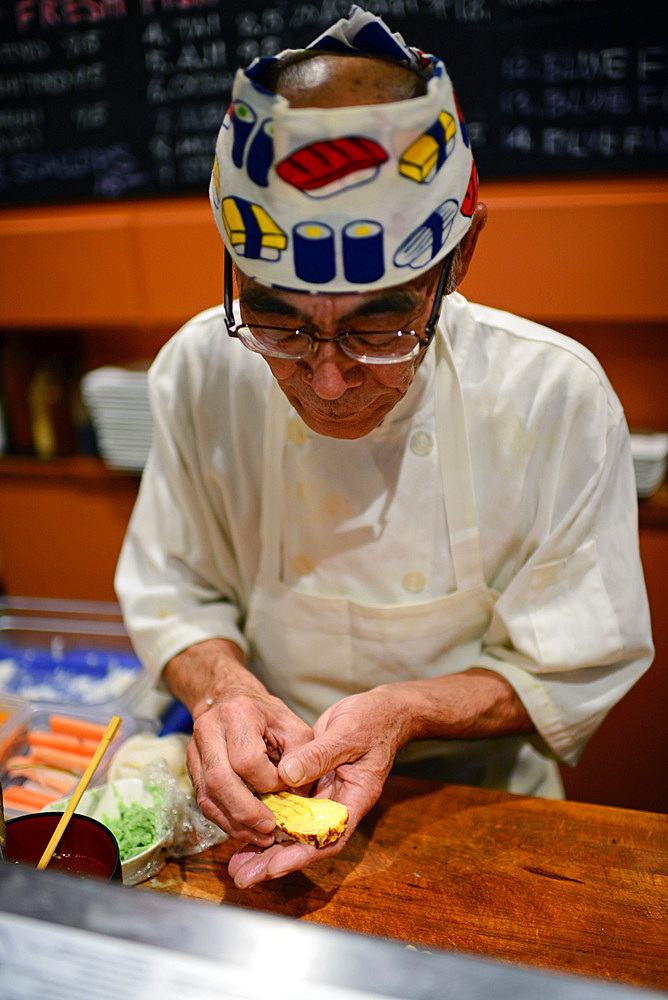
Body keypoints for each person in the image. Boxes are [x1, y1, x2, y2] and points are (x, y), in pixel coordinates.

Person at [115, 7, 653, 889]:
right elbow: (175, 590)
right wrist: (221, 687)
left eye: (382, 326)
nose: (328, 381)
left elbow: (574, 661)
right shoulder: (197, 374)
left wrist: (405, 713)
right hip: (249, 811)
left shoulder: (551, 396)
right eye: (280, 322)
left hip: (484, 811)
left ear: (459, 260)